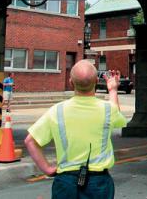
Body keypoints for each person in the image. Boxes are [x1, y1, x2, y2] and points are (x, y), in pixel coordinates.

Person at [24, 61, 126, 198]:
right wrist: (113, 90)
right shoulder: (108, 109)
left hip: (66, 182)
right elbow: (117, 116)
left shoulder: (56, 111)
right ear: (96, 81)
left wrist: (47, 169)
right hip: (98, 183)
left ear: (71, 82)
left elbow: (30, 141)